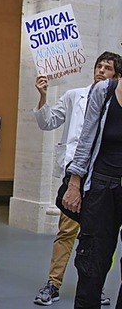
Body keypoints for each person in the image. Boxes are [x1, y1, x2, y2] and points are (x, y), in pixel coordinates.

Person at [32, 51, 121, 306]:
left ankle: (97, 283)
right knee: (68, 232)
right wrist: (42, 96)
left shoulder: (110, 96)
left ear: (116, 74)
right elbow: (48, 122)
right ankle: (54, 283)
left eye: (108, 67)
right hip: (80, 177)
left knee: (103, 241)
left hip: (103, 180)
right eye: (99, 66)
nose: (101, 70)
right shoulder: (75, 96)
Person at [62, 51, 122, 308]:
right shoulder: (105, 92)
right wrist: (75, 184)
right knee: (92, 264)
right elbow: (86, 138)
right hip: (101, 187)